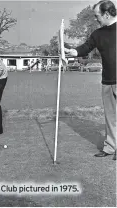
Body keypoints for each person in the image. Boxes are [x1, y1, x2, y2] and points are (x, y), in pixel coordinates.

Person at [65, 0, 116, 160]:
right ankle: (110, 148)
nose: (96, 19)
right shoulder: (97, 34)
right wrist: (73, 51)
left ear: (107, 14)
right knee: (110, 117)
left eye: (97, 16)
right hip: (107, 81)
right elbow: (85, 47)